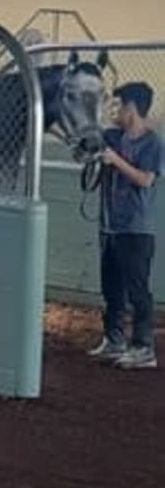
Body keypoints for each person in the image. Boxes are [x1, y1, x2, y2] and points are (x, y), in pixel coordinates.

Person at [88, 81, 161, 370]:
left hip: (136, 228)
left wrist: (116, 160)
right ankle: (114, 339)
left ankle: (143, 347)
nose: (113, 110)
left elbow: (146, 179)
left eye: (117, 104)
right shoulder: (111, 136)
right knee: (112, 288)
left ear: (131, 107)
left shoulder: (152, 143)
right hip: (110, 225)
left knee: (137, 290)